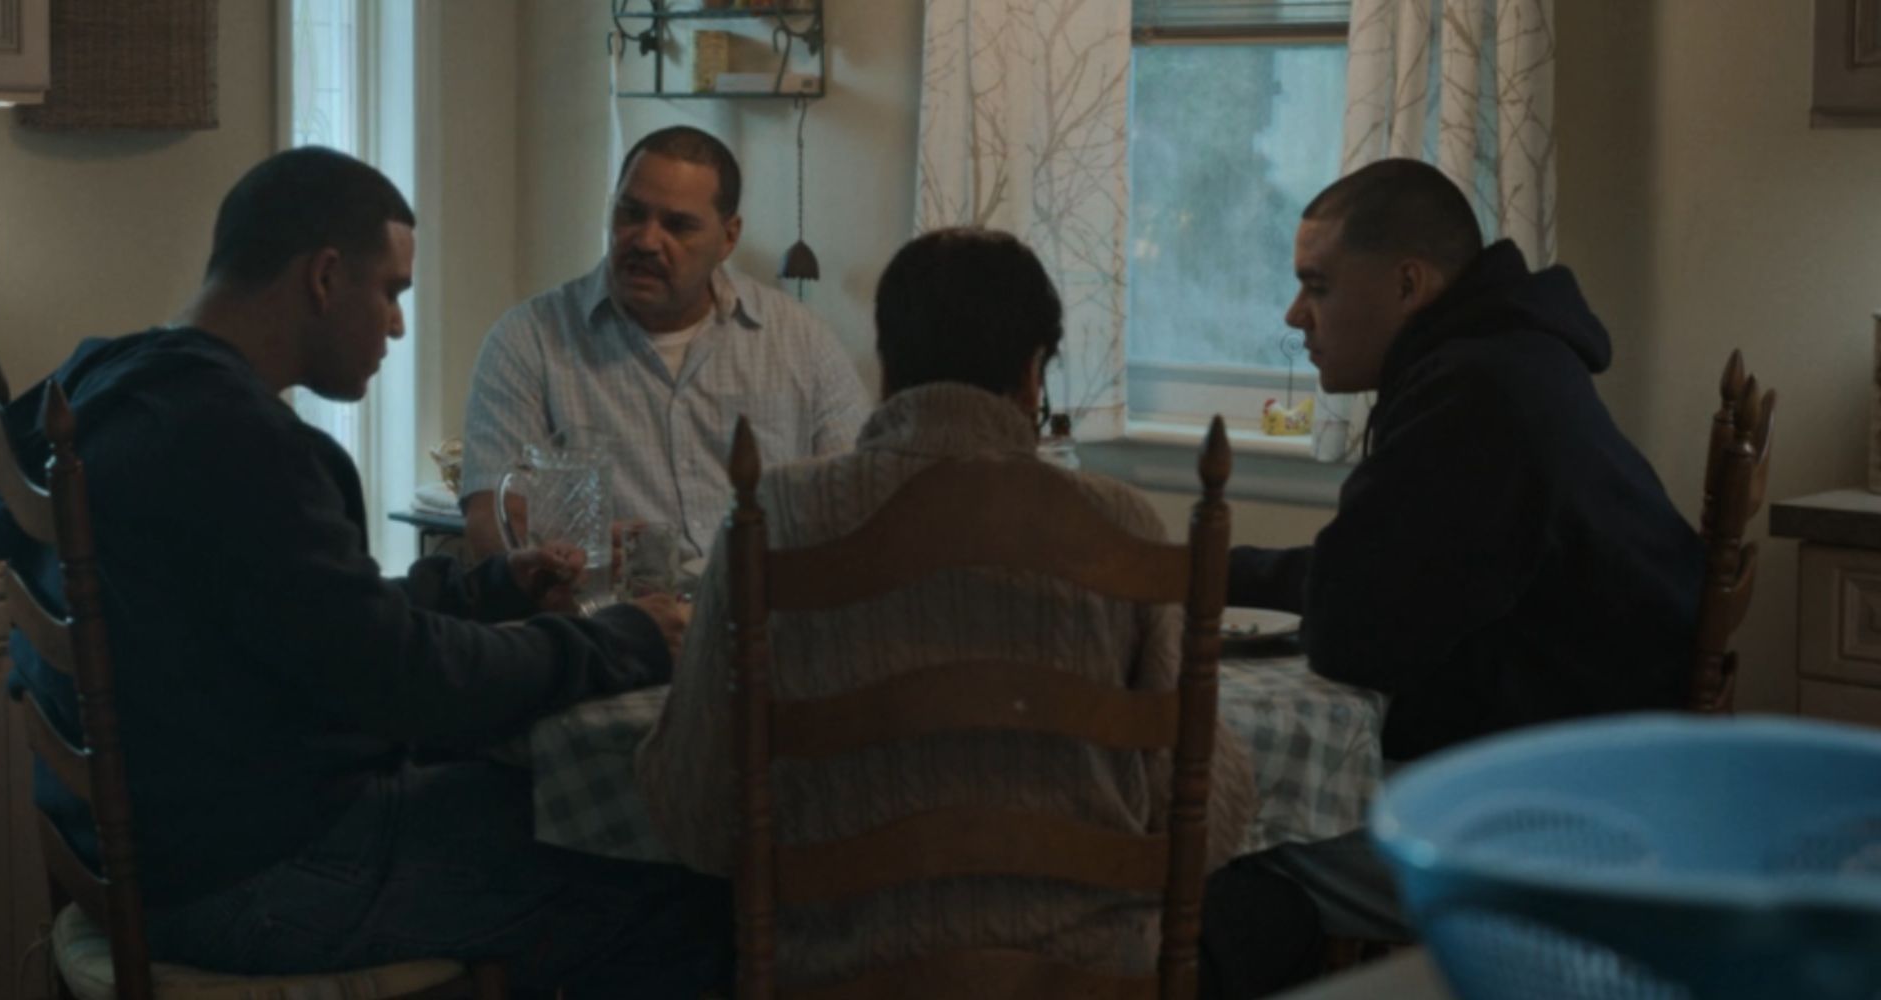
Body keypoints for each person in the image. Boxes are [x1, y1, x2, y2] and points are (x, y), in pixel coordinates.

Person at [0, 147, 726, 996]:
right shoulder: (238, 443)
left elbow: (318, 623)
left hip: (160, 851)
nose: (399, 326)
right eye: (392, 292)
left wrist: (486, 589)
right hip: (247, 879)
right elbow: (408, 683)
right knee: (671, 873)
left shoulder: (114, 386)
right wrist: (620, 640)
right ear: (326, 277)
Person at [635, 227, 1260, 988]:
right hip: (1084, 979)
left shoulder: (774, 517)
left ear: (887, 365)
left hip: (839, 976)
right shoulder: (1120, 528)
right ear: (1034, 376)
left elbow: (699, 817)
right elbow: (1204, 826)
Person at [1224, 157, 1703, 942]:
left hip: (1565, 831)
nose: (1293, 316)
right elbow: (1386, 578)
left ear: (1409, 285)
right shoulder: (1506, 360)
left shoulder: (1474, 395)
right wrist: (1220, 574)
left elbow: (1356, 634)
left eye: (1318, 286)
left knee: (1204, 845)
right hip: (1607, 772)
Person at [461, 125, 869, 566]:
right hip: (604, 621)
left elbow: (859, 501)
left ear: (728, 238)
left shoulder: (800, 341)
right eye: (630, 214)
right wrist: (572, 562)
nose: (646, 240)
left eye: (678, 225)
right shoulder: (531, 341)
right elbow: (491, 521)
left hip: (762, 616)